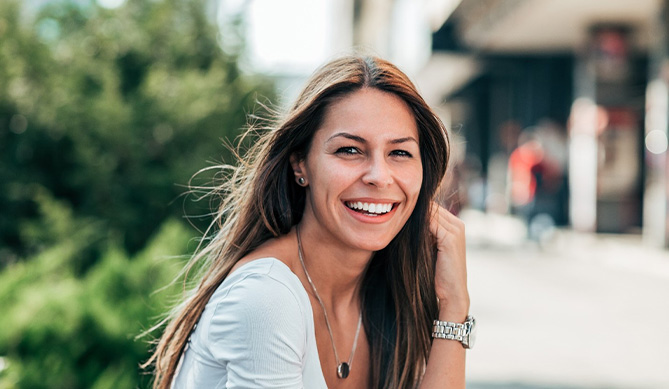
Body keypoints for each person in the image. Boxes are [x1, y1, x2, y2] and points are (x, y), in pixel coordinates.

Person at [144, 55, 474, 389]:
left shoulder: (385, 291)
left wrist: (454, 304)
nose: (379, 176)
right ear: (300, 164)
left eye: (399, 153)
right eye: (349, 150)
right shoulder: (266, 297)